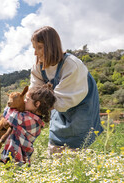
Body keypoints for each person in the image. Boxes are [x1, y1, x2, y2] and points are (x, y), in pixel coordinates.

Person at [30, 26, 103, 154]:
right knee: (55, 148)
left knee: (79, 150)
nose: (36, 53)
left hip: (81, 109)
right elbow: (34, 95)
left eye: (40, 47)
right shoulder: (38, 69)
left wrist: (34, 105)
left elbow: (60, 101)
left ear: (51, 46)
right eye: (34, 48)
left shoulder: (71, 65)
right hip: (57, 109)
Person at [0, 84, 56, 165]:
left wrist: (12, 104)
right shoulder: (35, 119)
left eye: (27, 99)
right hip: (17, 155)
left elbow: (9, 116)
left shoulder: (29, 120)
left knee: (12, 175)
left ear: (37, 104)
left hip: (17, 157)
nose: (24, 101)